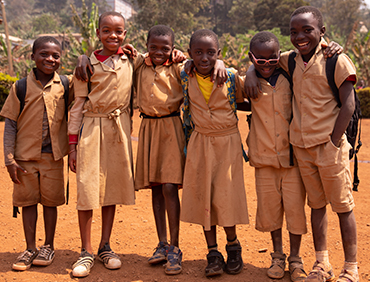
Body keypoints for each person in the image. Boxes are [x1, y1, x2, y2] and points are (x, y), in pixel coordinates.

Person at [246, 6, 358, 282]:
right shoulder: (291, 60)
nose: (300, 36)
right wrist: (250, 71)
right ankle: (322, 265)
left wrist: (333, 142)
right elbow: (264, 60)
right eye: (294, 32)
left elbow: (349, 104)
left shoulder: (337, 60)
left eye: (307, 30)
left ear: (322, 31)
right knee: (316, 206)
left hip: (328, 147)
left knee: (342, 206)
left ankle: (351, 268)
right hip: (302, 148)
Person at [68, 11, 136, 278]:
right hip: (91, 129)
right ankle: (85, 251)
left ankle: (105, 246)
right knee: (87, 188)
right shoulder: (86, 65)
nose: (113, 36)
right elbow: (77, 107)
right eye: (106, 30)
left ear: (125, 35)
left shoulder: (131, 60)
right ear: (98, 33)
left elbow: (161, 57)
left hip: (118, 130)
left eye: (118, 31)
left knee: (111, 188)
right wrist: (73, 145)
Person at [1, 36, 74, 271]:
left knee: (50, 202)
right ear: (33, 56)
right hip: (24, 158)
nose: (50, 59)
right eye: (43, 54)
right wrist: (9, 159)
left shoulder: (65, 84)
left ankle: (48, 246)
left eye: (55, 55)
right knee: (28, 202)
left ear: (61, 60)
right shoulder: (20, 87)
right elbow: (10, 123)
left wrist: (83, 58)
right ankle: (30, 247)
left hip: (52, 157)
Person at [180, 29, 249, 278]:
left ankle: (233, 246)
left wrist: (228, 66)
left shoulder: (230, 77)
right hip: (200, 143)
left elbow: (249, 91)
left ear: (219, 54)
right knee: (203, 199)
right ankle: (212, 253)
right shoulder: (184, 74)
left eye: (211, 53)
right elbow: (157, 53)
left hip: (227, 143)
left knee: (225, 197)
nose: (204, 57)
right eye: (198, 52)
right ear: (190, 54)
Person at [246, 31, 307, 282]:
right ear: (251, 58)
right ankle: (277, 256)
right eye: (259, 61)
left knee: (295, 210)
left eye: (273, 59)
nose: (267, 64)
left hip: (293, 159)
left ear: (279, 56)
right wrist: (250, 73)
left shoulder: (290, 77)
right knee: (271, 211)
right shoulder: (246, 84)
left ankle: (295, 259)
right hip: (264, 159)